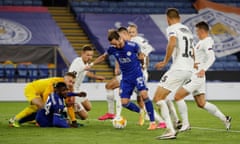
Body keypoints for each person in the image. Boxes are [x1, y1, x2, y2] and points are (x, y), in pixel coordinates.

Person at [92, 29, 156, 130]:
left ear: (120, 39)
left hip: (137, 75)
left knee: (144, 95)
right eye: (113, 44)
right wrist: (91, 64)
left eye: (115, 44)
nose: (115, 46)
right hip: (126, 78)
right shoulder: (113, 48)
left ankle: (152, 122)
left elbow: (141, 55)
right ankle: (141, 111)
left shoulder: (133, 45)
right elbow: (103, 57)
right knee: (124, 103)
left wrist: (142, 63)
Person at [174, 21, 232, 132]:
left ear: (201, 30)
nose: (196, 33)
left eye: (197, 31)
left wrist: (203, 69)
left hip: (196, 76)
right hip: (197, 76)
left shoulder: (207, 42)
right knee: (201, 103)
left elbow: (212, 57)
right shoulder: (201, 42)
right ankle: (225, 119)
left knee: (178, 96)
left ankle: (186, 124)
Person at [154, 8, 194, 140]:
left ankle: (170, 130)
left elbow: (172, 43)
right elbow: (192, 50)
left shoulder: (172, 28)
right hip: (188, 69)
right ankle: (176, 121)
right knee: (164, 96)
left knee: (158, 98)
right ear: (179, 17)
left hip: (178, 68)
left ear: (168, 19)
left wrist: (165, 61)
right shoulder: (187, 30)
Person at [9, 72, 77, 127]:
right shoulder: (55, 83)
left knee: (35, 108)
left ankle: (17, 119)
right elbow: (46, 95)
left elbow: (69, 105)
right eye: (70, 81)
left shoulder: (67, 88)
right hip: (32, 89)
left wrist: (74, 120)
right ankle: (15, 120)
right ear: (64, 79)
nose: (71, 84)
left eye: (73, 82)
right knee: (41, 106)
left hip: (40, 93)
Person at [66, 45, 105, 124]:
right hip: (72, 90)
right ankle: (65, 111)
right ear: (82, 54)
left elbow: (86, 72)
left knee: (88, 107)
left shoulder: (84, 63)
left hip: (77, 90)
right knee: (84, 116)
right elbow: (69, 79)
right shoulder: (77, 63)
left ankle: (70, 109)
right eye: (88, 55)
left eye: (91, 55)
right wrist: (72, 95)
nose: (90, 57)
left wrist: (96, 77)